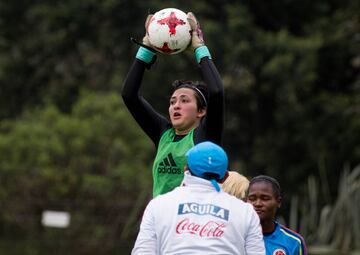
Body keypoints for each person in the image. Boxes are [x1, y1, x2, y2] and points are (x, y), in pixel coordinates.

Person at [122, 12, 224, 197]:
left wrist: (199, 47)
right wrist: (146, 47)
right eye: (172, 101)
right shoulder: (163, 133)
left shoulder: (206, 136)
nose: (176, 105)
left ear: (201, 111)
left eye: (185, 101)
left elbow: (216, 92)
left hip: (191, 223)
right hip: (160, 221)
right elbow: (129, 95)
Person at [131, 141, 265, 255]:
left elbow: (143, 252)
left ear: (185, 169)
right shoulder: (246, 212)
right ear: (225, 176)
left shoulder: (157, 205)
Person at [246, 175, 308, 255]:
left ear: (278, 202)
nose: (257, 204)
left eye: (265, 198)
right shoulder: (236, 236)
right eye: (252, 199)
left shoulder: (294, 242)